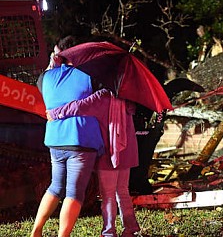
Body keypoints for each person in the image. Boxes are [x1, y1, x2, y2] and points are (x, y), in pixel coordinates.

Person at [31, 36, 104, 237]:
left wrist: (52, 62)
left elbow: (43, 81)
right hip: (80, 139)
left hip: (55, 140)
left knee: (55, 186)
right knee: (74, 192)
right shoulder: (89, 76)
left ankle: (36, 230)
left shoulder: (45, 78)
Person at [47, 88, 141, 237]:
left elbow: (78, 106)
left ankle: (109, 232)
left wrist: (54, 113)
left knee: (108, 195)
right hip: (127, 151)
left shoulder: (101, 97)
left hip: (110, 151)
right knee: (123, 191)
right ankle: (130, 229)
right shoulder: (128, 98)